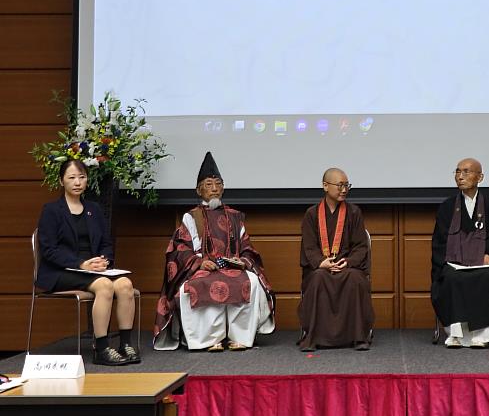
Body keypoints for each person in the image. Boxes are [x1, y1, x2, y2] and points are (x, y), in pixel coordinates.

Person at [153, 152, 275, 351]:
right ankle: (209, 339)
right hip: (203, 266)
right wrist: (198, 262)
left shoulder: (235, 217)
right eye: (209, 185)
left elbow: (246, 246)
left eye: (218, 184)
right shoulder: (191, 217)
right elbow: (180, 249)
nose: (215, 189)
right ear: (198, 190)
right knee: (201, 283)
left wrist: (243, 260)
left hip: (231, 266)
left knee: (250, 281)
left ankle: (241, 337)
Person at [36, 159, 140, 366]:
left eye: (82, 177)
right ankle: (101, 349)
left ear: (87, 181)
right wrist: (81, 264)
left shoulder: (94, 209)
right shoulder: (52, 210)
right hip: (61, 270)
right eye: (72, 177)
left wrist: (104, 261)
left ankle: (125, 345)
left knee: (125, 285)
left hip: (92, 269)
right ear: (61, 181)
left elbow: (106, 243)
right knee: (104, 286)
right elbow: (49, 250)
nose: (77, 182)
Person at [431, 158, 489, 348]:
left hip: (482, 263)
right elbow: (439, 240)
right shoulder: (447, 206)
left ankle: (483, 334)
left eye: (466, 172)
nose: (461, 176)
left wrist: (488, 253)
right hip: (454, 264)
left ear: (480, 177)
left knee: (488, 274)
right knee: (450, 276)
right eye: (458, 172)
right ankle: (456, 334)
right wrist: (449, 260)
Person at [298, 167, 374, 351]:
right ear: (325, 186)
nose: (344, 189)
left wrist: (347, 262)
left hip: (347, 266)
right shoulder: (311, 214)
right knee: (317, 278)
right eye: (340, 185)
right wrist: (320, 262)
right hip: (321, 267)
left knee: (356, 279)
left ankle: (358, 336)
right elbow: (308, 246)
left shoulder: (354, 212)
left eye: (347, 185)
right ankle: (314, 336)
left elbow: (361, 246)